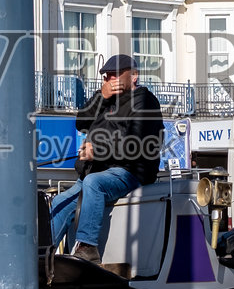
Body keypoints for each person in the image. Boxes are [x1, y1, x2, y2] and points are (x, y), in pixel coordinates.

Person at [49, 54, 163, 264]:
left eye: (116, 74)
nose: (110, 79)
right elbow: (81, 122)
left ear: (134, 76)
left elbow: (137, 144)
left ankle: (87, 247)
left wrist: (97, 151)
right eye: (106, 76)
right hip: (97, 171)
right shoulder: (105, 99)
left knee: (93, 183)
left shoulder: (146, 102)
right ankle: (41, 255)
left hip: (129, 172)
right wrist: (100, 97)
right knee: (59, 201)